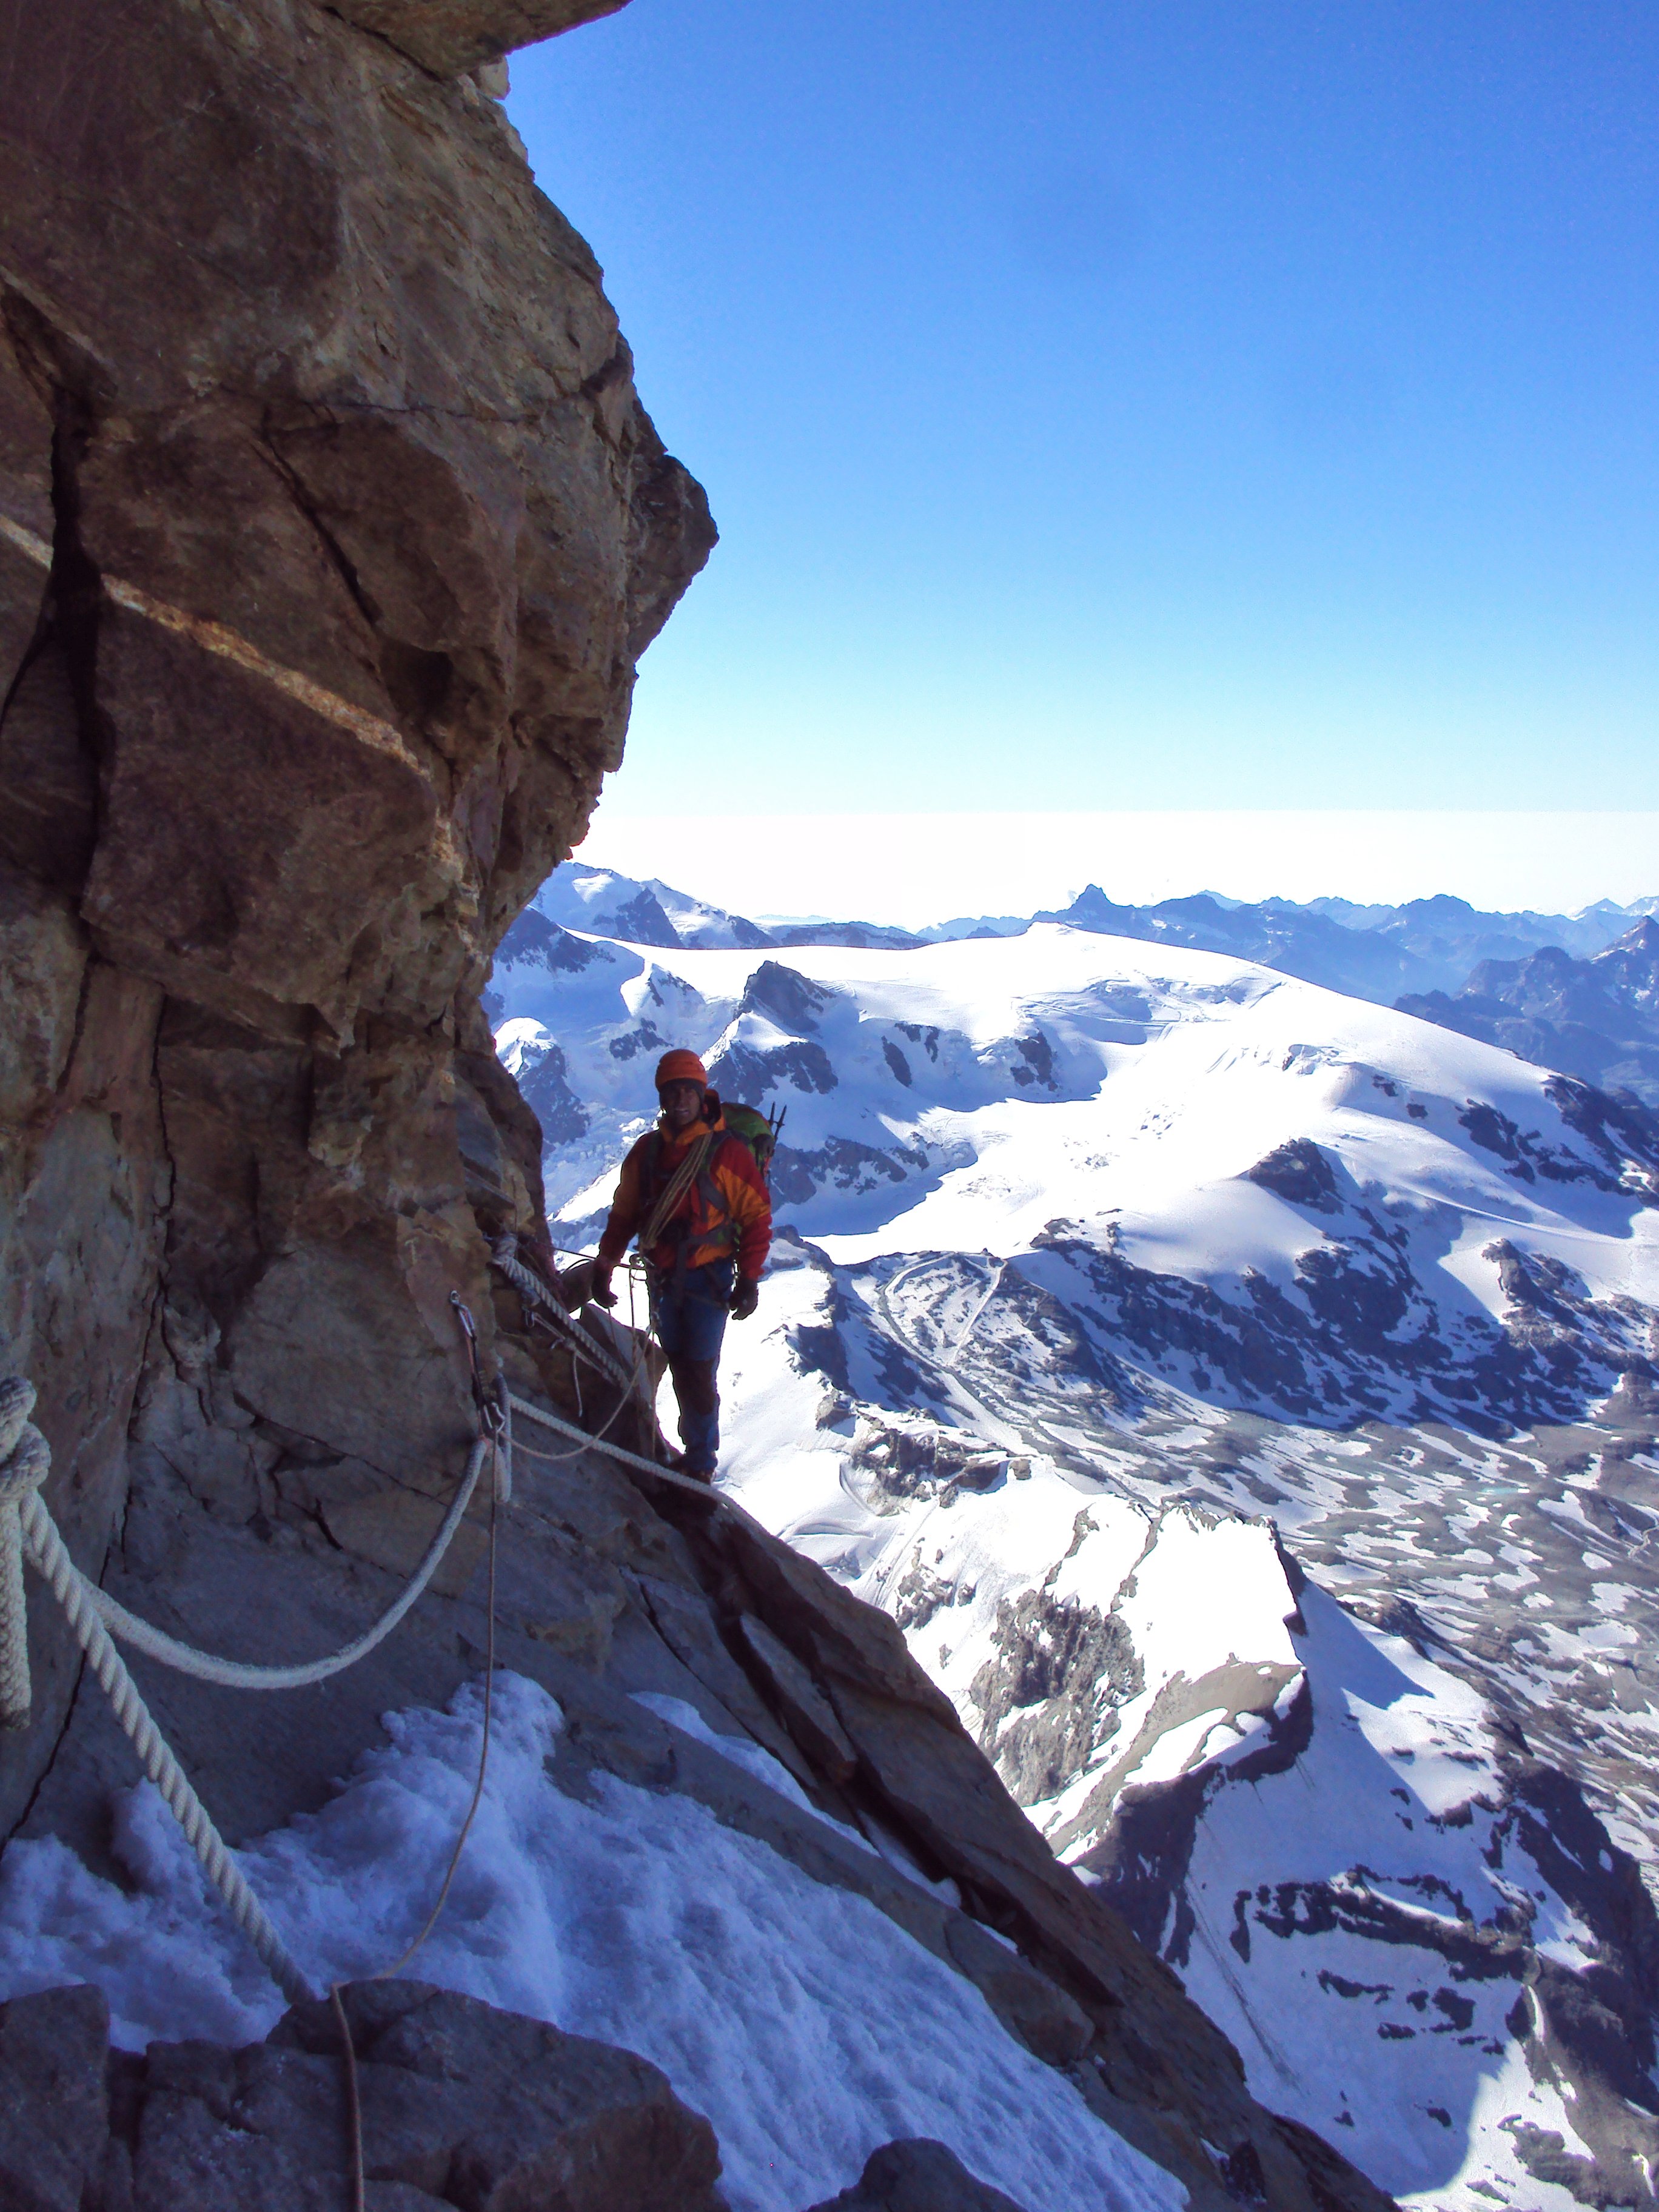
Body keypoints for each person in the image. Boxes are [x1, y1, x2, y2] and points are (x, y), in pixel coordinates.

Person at [591, 1050, 770, 1481]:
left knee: (698, 1372)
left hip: (708, 1279)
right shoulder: (647, 1153)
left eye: (688, 1090)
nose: (681, 1099)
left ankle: (701, 1463)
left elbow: (756, 1217)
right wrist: (604, 1263)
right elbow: (625, 1214)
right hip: (665, 1279)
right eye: (673, 1091)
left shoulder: (727, 1153)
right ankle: (694, 1455)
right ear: (663, 1098)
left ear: (702, 1093)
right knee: (680, 1364)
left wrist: (748, 1278)